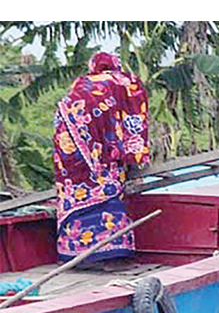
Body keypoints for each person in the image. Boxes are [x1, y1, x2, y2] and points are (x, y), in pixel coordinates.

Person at [53, 52, 151, 266]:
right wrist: (131, 151)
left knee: (77, 195)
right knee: (107, 191)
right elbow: (135, 115)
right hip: (104, 153)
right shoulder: (125, 81)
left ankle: (76, 255)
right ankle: (113, 254)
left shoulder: (82, 82)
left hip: (70, 150)